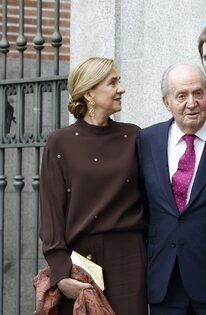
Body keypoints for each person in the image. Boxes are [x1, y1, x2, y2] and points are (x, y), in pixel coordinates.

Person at [39, 57, 148, 314]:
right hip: (80, 264)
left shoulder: (134, 136)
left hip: (129, 258)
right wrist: (60, 272)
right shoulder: (60, 142)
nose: (121, 88)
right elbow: (51, 210)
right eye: (113, 82)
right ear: (89, 92)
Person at [137, 63, 206, 314]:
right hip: (164, 280)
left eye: (198, 93)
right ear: (166, 103)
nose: (192, 102)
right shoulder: (147, 140)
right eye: (181, 96)